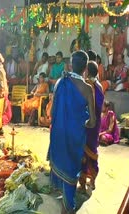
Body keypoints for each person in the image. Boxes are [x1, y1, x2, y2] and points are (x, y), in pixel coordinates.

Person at [47, 50, 96, 213]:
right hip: (76, 137)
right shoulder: (88, 89)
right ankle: (68, 205)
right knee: (71, 168)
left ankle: (58, 200)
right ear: (85, 69)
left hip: (59, 133)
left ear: (71, 65)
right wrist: (83, 122)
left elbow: (53, 112)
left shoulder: (61, 82)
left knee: (60, 163)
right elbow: (93, 122)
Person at [79, 61, 104, 192]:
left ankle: (82, 182)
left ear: (87, 71)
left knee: (83, 152)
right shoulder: (99, 84)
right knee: (92, 151)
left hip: (88, 123)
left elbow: (87, 105)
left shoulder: (89, 85)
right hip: (96, 124)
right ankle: (92, 180)